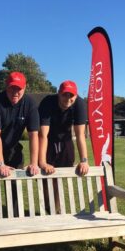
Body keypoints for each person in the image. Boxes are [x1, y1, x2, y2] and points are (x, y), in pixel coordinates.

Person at [0, 71, 40, 216]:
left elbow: (34, 135)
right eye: (12, 88)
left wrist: (34, 162)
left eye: (19, 88)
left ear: (25, 88)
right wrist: (0, 164)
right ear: (6, 87)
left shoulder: (30, 104)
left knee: (15, 186)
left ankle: (15, 218)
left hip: (13, 148)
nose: (15, 92)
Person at [38, 80, 89, 213]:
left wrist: (84, 160)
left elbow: (80, 135)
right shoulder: (47, 103)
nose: (68, 98)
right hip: (49, 139)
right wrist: (42, 163)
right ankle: (49, 209)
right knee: (47, 175)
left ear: (76, 96)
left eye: (71, 95)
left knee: (61, 175)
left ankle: (57, 209)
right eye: (64, 95)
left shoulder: (80, 105)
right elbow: (43, 135)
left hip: (66, 139)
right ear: (58, 94)